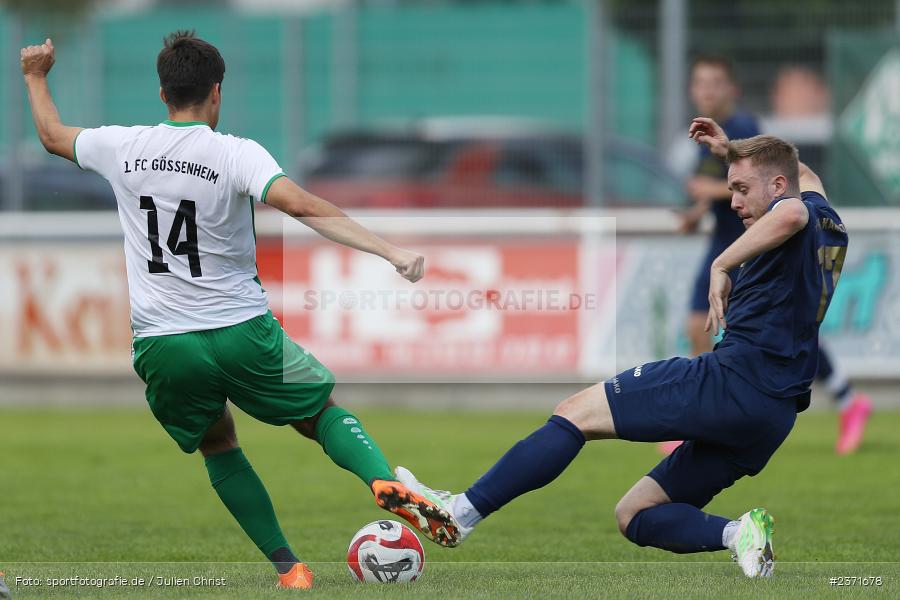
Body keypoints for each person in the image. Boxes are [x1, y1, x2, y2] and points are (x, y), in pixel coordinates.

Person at [20, 32, 458, 590]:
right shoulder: (235, 153)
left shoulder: (121, 146)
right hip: (242, 331)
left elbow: (52, 135)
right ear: (217, 92)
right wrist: (388, 250)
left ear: (162, 93)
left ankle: (289, 569)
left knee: (219, 443)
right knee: (319, 414)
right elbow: (299, 204)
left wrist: (35, 74)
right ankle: (379, 479)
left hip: (163, 342)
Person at [397, 117, 848, 579]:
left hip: (731, 380)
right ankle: (740, 535)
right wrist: (733, 150)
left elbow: (790, 212)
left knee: (575, 413)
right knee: (635, 514)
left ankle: (460, 513)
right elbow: (800, 174)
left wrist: (721, 263)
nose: (733, 201)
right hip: (773, 416)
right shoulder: (825, 216)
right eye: (731, 188)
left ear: (778, 186)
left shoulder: (793, 213)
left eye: (742, 189)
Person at [680, 55, 761, 359]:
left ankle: (838, 383)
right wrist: (696, 213)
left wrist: (710, 189)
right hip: (721, 242)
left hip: (751, 244)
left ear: (732, 89)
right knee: (697, 325)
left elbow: (759, 183)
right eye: (701, 83)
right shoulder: (705, 132)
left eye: (716, 83)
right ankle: (708, 388)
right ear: (692, 90)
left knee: (771, 331)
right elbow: (715, 182)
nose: (708, 91)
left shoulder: (742, 128)